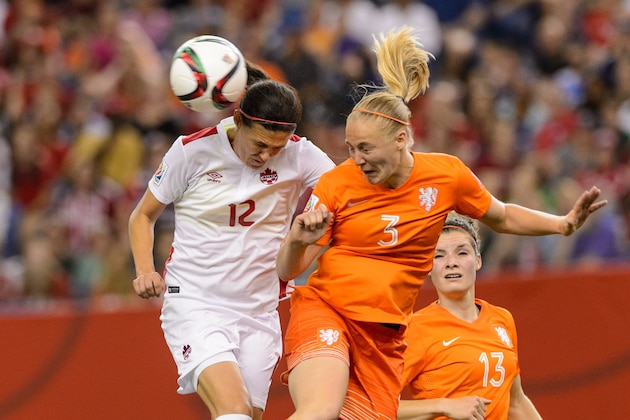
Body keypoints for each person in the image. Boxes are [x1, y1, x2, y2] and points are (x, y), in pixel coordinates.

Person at [275, 26, 607, 419]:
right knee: (322, 410)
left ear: (402, 139)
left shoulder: (447, 176)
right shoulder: (337, 183)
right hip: (327, 311)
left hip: (384, 338)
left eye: (365, 148)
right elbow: (288, 269)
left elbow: (500, 215)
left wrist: (562, 224)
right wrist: (298, 240)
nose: (356, 159)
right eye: (350, 148)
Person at [128, 70, 336, 419]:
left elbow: (347, 193)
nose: (266, 156)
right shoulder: (191, 151)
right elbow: (142, 216)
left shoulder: (301, 155)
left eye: (276, 148)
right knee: (234, 410)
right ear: (237, 120)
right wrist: (144, 270)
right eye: (259, 145)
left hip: (260, 309)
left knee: (244, 416)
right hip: (197, 302)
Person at [398, 212, 542, 420]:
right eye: (439, 255)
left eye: (461, 253)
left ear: (478, 260)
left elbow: (515, 402)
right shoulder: (415, 329)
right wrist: (443, 406)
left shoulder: (502, 319)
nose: (451, 262)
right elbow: (373, 407)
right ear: (429, 267)